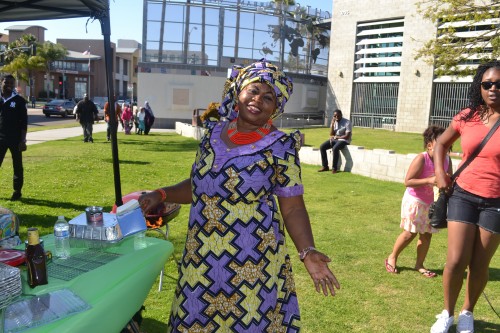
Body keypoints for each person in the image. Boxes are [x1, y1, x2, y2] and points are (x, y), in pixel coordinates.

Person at [138, 60, 340, 332]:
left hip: (253, 263)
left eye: (269, 97)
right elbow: (201, 184)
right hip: (202, 260)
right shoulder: (211, 135)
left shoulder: (281, 147)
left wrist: (308, 251)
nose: (259, 100)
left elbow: (292, 208)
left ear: (276, 108)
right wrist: (161, 193)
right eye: (253, 91)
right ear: (239, 91)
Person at [430, 60, 500, 333]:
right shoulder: (468, 115)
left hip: (495, 202)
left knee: (480, 264)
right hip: (463, 196)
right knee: (456, 260)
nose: (493, 88)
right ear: (480, 87)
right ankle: (447, 313)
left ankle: (467, 312)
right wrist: (440, 173)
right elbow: (441, 145)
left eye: (499, 84)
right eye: (487, 84)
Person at [385, 126, 452, 278]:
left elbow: (450, 179)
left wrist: (448, 181)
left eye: (447, 144)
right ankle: (392, 257)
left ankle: (419, 265)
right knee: (410, 233)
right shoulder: (422, 159)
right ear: (429, 145)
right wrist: (429, 180)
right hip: (415, 201)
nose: (444, 148)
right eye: (441, 143)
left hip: (432, 204)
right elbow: (408, 181)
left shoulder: (447, 160)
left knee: (427, 235)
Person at [0, 74, 27, 201]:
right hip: (0, 138)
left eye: (12, 83)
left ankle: (17, 191)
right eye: (7, 82)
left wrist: (23, 140)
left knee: (17, 165)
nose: (9, 85)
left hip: (15, 139)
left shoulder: (19, 101)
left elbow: (24, 122)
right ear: (1, 82)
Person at [317, 109, 352, 174]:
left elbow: (347, 136)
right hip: (335, 139)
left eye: (338, 116)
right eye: (335, 116)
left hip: (344, 140)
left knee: (335, 148)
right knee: (322, 147)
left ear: (341, 115)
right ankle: (325, 166)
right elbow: (331, 134)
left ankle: (334, 168)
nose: (336, 118)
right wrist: (332, 124)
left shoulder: (347, 122)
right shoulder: (334, 122)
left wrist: (337, 137)